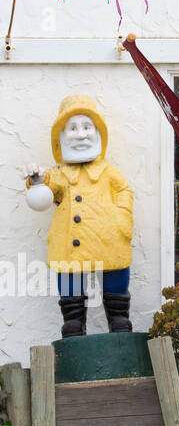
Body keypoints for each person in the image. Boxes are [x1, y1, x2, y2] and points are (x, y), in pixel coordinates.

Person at [22, 95, 134, 338]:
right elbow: (47, 190)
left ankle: (119, 321)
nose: (81, 134)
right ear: (61, 138)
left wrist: (123, 219)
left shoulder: (108, 173)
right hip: (70, 244)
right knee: (70, 277)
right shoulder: (60, 174)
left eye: (87, 127)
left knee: (115, 274)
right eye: (72, 128)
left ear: (99, 134)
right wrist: (37, 179)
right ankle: (73, 323)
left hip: (109, 239)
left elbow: (124, 191)